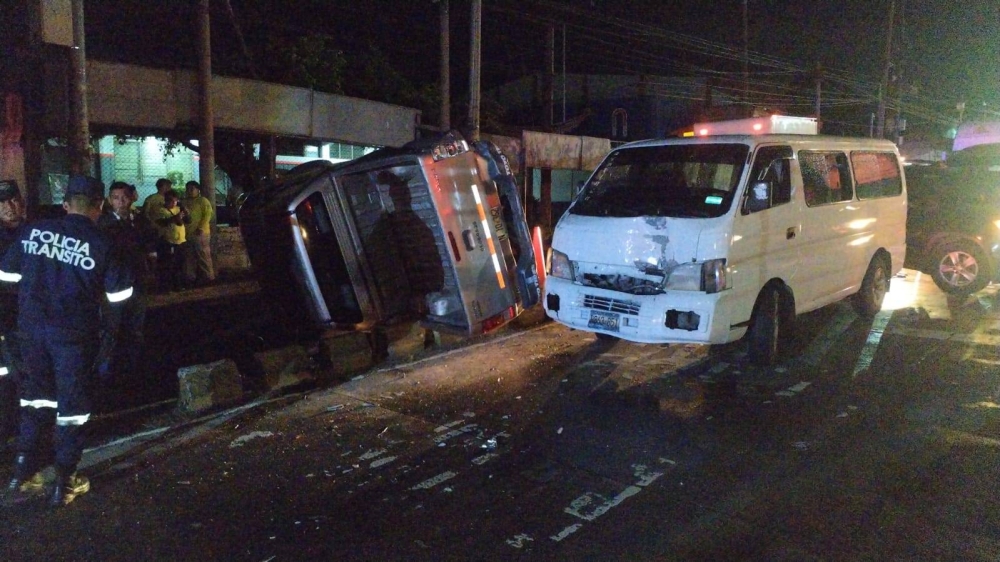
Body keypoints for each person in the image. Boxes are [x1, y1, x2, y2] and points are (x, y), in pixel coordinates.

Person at [0, 175, 133, 507]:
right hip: (72, 337)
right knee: (72, 409)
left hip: (31, 333)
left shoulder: (33, 232)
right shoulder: (103, 243)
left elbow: (6, 276)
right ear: (99, 206)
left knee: (34, 401)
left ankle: (23, 473)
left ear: (65, 204)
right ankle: (65, 481)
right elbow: (121, 296)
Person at [97, 182, 157, 383]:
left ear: (131, 198)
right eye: (115, 197)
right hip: (113, 286)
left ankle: (133, 369)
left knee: (135, 328)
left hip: (138, 281)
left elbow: (149, 245)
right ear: (109, 200)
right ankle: (105, 371)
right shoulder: (103, 224)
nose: (120, 201)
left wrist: (151, 267)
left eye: (124, 197)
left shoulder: (139, 220)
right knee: (110, 329)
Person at [0, 180, 27, 450]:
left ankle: (25, 432)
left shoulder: (35, 233)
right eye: (2, 202)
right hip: (4, 320)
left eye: (12, 200)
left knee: (27, 377)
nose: (8, 206)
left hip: (28, 320)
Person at [154, 190, 189, 292]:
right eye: (170, 201)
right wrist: (176, 217)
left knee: (179, 264)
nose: (173, 203)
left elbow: (188, 220)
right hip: (167, 241)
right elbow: (162, 222)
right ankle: (165, 287)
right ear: (166, 200)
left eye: (175, 201)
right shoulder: (160, 210)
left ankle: (178, 285)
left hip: (181, 241)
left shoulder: (178, 209)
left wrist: (185, 212)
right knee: (167, 265)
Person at [182, 181, 215, 286]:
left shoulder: (203, 201)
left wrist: (201, 228)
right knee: (189, 257)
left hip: (200, 234)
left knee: (203, 256)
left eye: (192, 189)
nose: (190, 191)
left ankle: (208, 277)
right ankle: (190, 278)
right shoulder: (184, 202)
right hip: (187, 234)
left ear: (198, 190)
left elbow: (207, 215)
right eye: (188, 189)